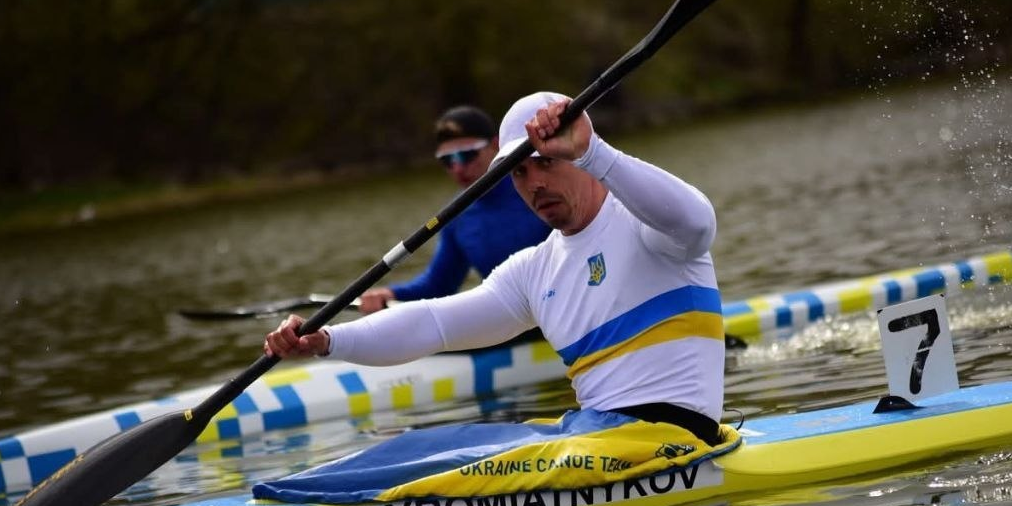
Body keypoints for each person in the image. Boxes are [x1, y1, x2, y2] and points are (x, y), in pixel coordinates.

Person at [264, 90, 728, 457]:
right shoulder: (534, 269)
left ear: (578, 154)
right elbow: (433, 323)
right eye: (520, 173)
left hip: (675, 441)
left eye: (546, 162)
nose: (535, 183)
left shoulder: (650, 227)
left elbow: (699, 221)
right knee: (415, 447)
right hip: (599, 442)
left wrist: (594, 152)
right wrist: (328, 342)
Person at [355, 105, 551, 314]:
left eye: (466, 155)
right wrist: (390, 295)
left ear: (496, 145)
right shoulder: (457, 216)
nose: (457, 168)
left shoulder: (540, 188)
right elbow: (439, 285)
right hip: (515, 324)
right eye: (448, 160)